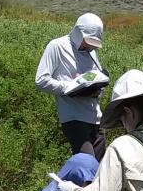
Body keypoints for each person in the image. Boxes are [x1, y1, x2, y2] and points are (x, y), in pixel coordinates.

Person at [35, 13, 107, 158]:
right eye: (88, 41)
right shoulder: (57, 46)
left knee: (99, 169)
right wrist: (70, 88)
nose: (90, 47)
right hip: (74, 119)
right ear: (78, 33)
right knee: (87, 165)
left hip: (96, 119)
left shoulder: (91, 52)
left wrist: (96, 91)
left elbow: (97, 77)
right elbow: (41, 80)